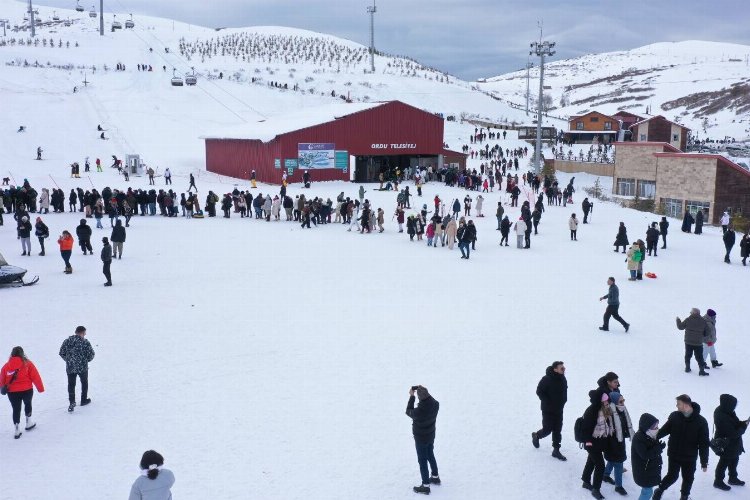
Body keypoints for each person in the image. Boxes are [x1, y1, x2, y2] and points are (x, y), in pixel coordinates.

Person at [652, 394, 709, 500]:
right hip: (674, 454)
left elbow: (704, 443)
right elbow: (664, 430)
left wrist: (704, 461)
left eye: (678, 404)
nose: (676, 406)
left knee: (688, 478)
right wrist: (652, 437)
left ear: (686, 405)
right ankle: (659, 490)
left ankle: (684, 496)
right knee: (672, 476)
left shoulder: (701, 422)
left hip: (690, 457)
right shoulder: (675, 416)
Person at [1, 346, 44, 439]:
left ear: (12, 354)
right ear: (22, 353)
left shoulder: (6, 366)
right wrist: (40, 388)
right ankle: (28, 422)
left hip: (12, 393)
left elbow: (2, 380)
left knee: (16, 409)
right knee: (28, 404)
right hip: (27, 390)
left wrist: (2, 388)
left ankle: (17, 429)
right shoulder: (28, 364)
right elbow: (36, 377)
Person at [406, 386, 440, 495]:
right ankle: (435, 477)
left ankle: (425, 486)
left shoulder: (419, 411)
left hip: (421, 438)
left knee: (422, 460)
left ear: (420, 398)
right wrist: (421, 389)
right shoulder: (435, 404)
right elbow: (430, 398)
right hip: (430, 435)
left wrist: (412, 396)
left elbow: (408, 411)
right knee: (430, 454)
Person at [532, 361, 568, 461]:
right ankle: (536, 435)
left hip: (559, 409)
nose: (564, 369)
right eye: (562, 368)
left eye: (564, 367)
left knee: (557, 430)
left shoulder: (563, 378)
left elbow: (564, 391)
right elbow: (539, 391)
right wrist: (548, 401)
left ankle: (556, 450)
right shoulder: (546, 379)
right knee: (547, 430)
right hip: (548, 410)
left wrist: (564, 401)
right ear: (555, 369)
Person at [581, 391, 614, 499]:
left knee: (591, 461)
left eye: (607, 400)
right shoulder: (591, 411)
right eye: (605, 401)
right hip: (591, 444)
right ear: (599, 401)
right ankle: (596, 489)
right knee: (600, 465)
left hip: (599, 443)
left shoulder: (605, 410)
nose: (607, 402)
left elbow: (607, 425)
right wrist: (589, 443)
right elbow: (586, 429)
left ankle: (586, 481)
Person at [712, 394, 748, 491]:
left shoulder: (727, 410)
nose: (734, 407)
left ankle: (733, 478)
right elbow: (733, 433)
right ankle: (718, 481)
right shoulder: (721, 416)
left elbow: (735, 423)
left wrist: (743, 422)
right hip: (726, 444)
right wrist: (743, 427)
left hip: (733, 444)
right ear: (728, 404)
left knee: (734, 459)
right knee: (724, 462)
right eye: (733, 405)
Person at [603, 391, 634, 496]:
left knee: (613, 460)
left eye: (623, 400)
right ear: (615, 401)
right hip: (612, 443)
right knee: (618, 463)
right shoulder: (609, 412)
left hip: (620, 441)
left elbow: (626, 424)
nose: (623, 402)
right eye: (621, 401)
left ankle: (605, 475)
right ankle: (618, 486)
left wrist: (629, 433)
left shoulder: (622, 410)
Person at [59, 326, 95, 412]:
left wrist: (68, 360)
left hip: (70, 367)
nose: (85, 334)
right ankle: (83, 400)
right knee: (84, 383)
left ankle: (72, 402)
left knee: (71, 385)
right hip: (82, 367)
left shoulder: (67, 341)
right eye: (84, 333)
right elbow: (91, 354)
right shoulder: (85, 342)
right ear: (82, 333)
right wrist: (86, 360)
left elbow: (61, 352)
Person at [631, 413, 665, 500]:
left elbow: (651, 448)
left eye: (657, 426)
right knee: (647, 492)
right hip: (643, 473)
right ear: (647, 427)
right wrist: (658, 448)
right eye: (655, 427)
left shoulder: (649, 435)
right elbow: (645, 455)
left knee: (647, 491)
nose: (657, 429)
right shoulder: (639, 438)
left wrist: (659, 447)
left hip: (649, 471)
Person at [676, 308, 709, 376]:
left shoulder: (688, 319)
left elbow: (680, 327)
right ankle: (701, 371)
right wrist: (701, 335)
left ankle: (687, 368)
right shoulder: (703, 321)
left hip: (688, 342)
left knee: (688, 355)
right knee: (699, 357)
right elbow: (707, 332)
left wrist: (678, 320)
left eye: (691, 312)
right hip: (698, 343)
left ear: (693, 313)